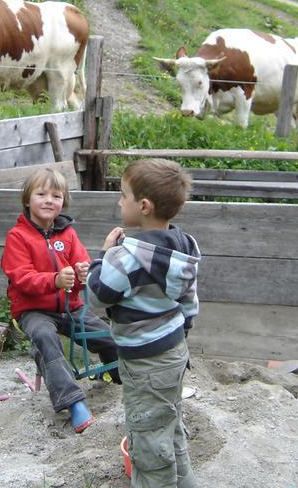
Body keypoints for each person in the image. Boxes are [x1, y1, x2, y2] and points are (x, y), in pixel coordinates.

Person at [87, 159, 201, 488]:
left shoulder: (127, 258)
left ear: (144, 206)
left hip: (145, 363)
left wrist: (103, 255)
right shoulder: (185, 247)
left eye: (123, 195)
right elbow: (189, 302)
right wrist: (179, 334)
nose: (119, 201)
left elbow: (96, 298)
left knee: (149, 443)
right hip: (174, 353)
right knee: (169, 426)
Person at [0, 166, 119, 434]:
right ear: (27, 199)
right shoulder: (17, 237)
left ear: (63, 201)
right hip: (33, 310)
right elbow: (21, 278)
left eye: (56, 196)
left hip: (70, 306)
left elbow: (81, 269)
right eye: (41, 194)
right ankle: (73, 401)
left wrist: (81, 274)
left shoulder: (68, 234)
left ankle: (121, 377)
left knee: (108, 335)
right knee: (45, 338)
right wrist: (53, 280)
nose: (48, 200)